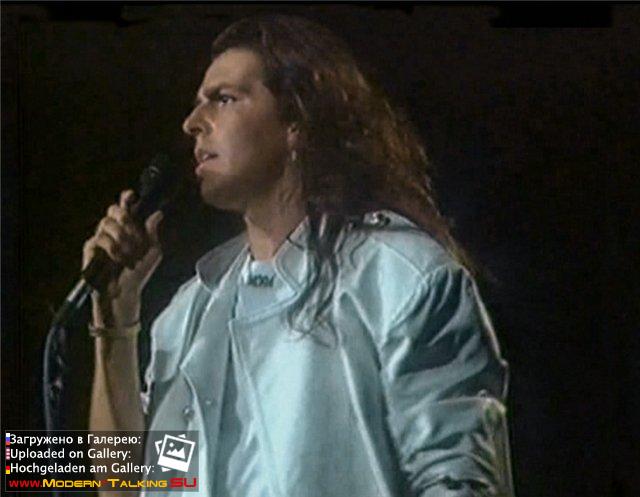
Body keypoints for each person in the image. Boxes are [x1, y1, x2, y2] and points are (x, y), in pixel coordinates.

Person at [80, 14, 514, 497]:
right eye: (198, 102)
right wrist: (115, 324)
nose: (192, 123)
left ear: (296, 121)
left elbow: (458, 482)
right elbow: (135, 484)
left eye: (224, 99)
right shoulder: (188, 316)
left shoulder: (400, 278)